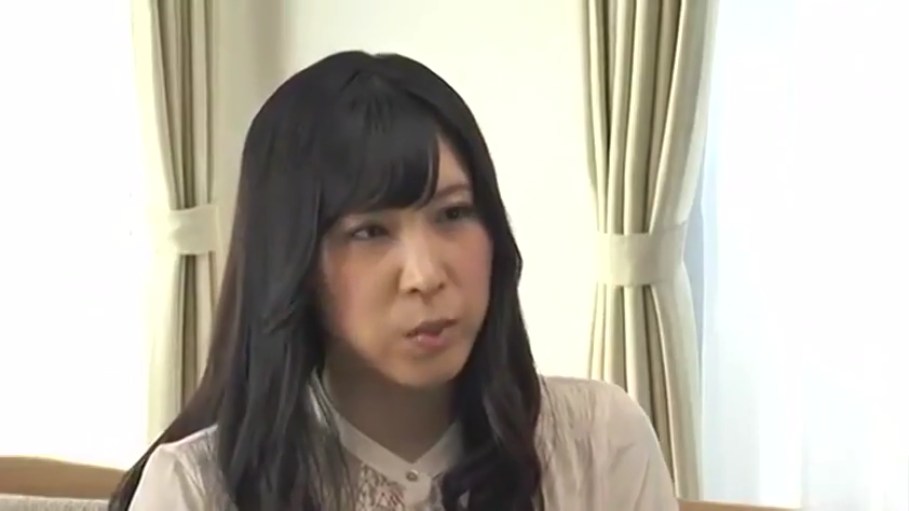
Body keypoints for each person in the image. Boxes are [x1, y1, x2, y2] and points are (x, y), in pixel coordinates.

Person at [110, 51, 677, 511]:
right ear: (291, 260)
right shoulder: (196, 490)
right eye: (369, 232)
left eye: (453, 214)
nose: (425, 275)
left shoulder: (599, 442)